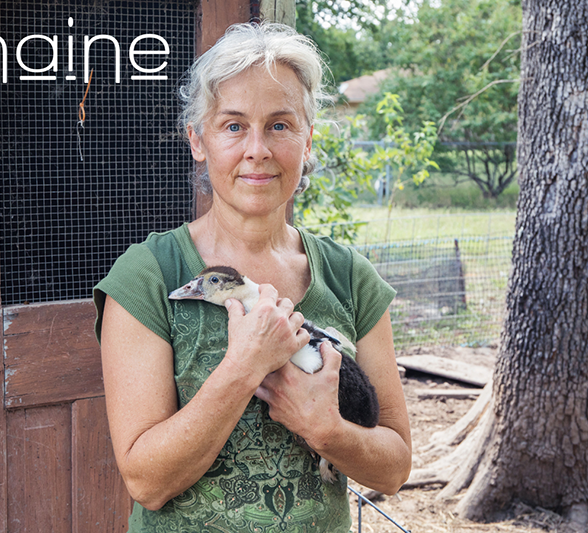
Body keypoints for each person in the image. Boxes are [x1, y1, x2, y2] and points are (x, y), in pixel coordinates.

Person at [94, 22, 411, 532]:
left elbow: (394, 467)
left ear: (308, 141)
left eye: (281, 126)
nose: (258, 149)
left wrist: (326, 430)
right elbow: (147, 482)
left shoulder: (351, 277)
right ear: (198, 140)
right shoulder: (149, 276)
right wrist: (245, 365)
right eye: (234, 125)